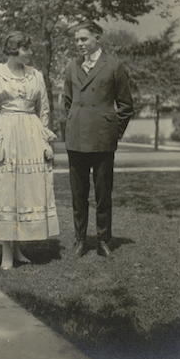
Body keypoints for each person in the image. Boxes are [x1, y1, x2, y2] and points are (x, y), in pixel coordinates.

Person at [0, 30, 59, 269]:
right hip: (5, 134)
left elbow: (44, 110)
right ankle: (6, 252)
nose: (30, 53)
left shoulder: (36, 76)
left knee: (25, 191)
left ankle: (18, 248)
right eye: (26, 48)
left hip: (30, 135)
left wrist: (44, 138)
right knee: (5, 192)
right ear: (14, 50)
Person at [64, 21, 133, 258]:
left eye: (84, 39)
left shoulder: (114, 65)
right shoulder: (71, 66)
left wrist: (113, 131)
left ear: (97, 37)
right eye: (76, 40)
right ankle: (80, 240)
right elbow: (67, 102)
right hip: (76, 140)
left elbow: (126, 106)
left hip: (103, 140)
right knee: (78, 194)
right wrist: (74, 122)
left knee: (103, 193)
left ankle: (104, 240)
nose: (79, 44)